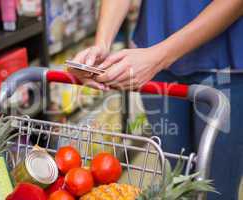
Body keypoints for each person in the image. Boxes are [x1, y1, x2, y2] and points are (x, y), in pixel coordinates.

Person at [69, 1, 243, 199]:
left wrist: (159, 57)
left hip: (227, 62)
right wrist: (102, 45)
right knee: (179, 179)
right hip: (153, 56)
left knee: (217, 188)